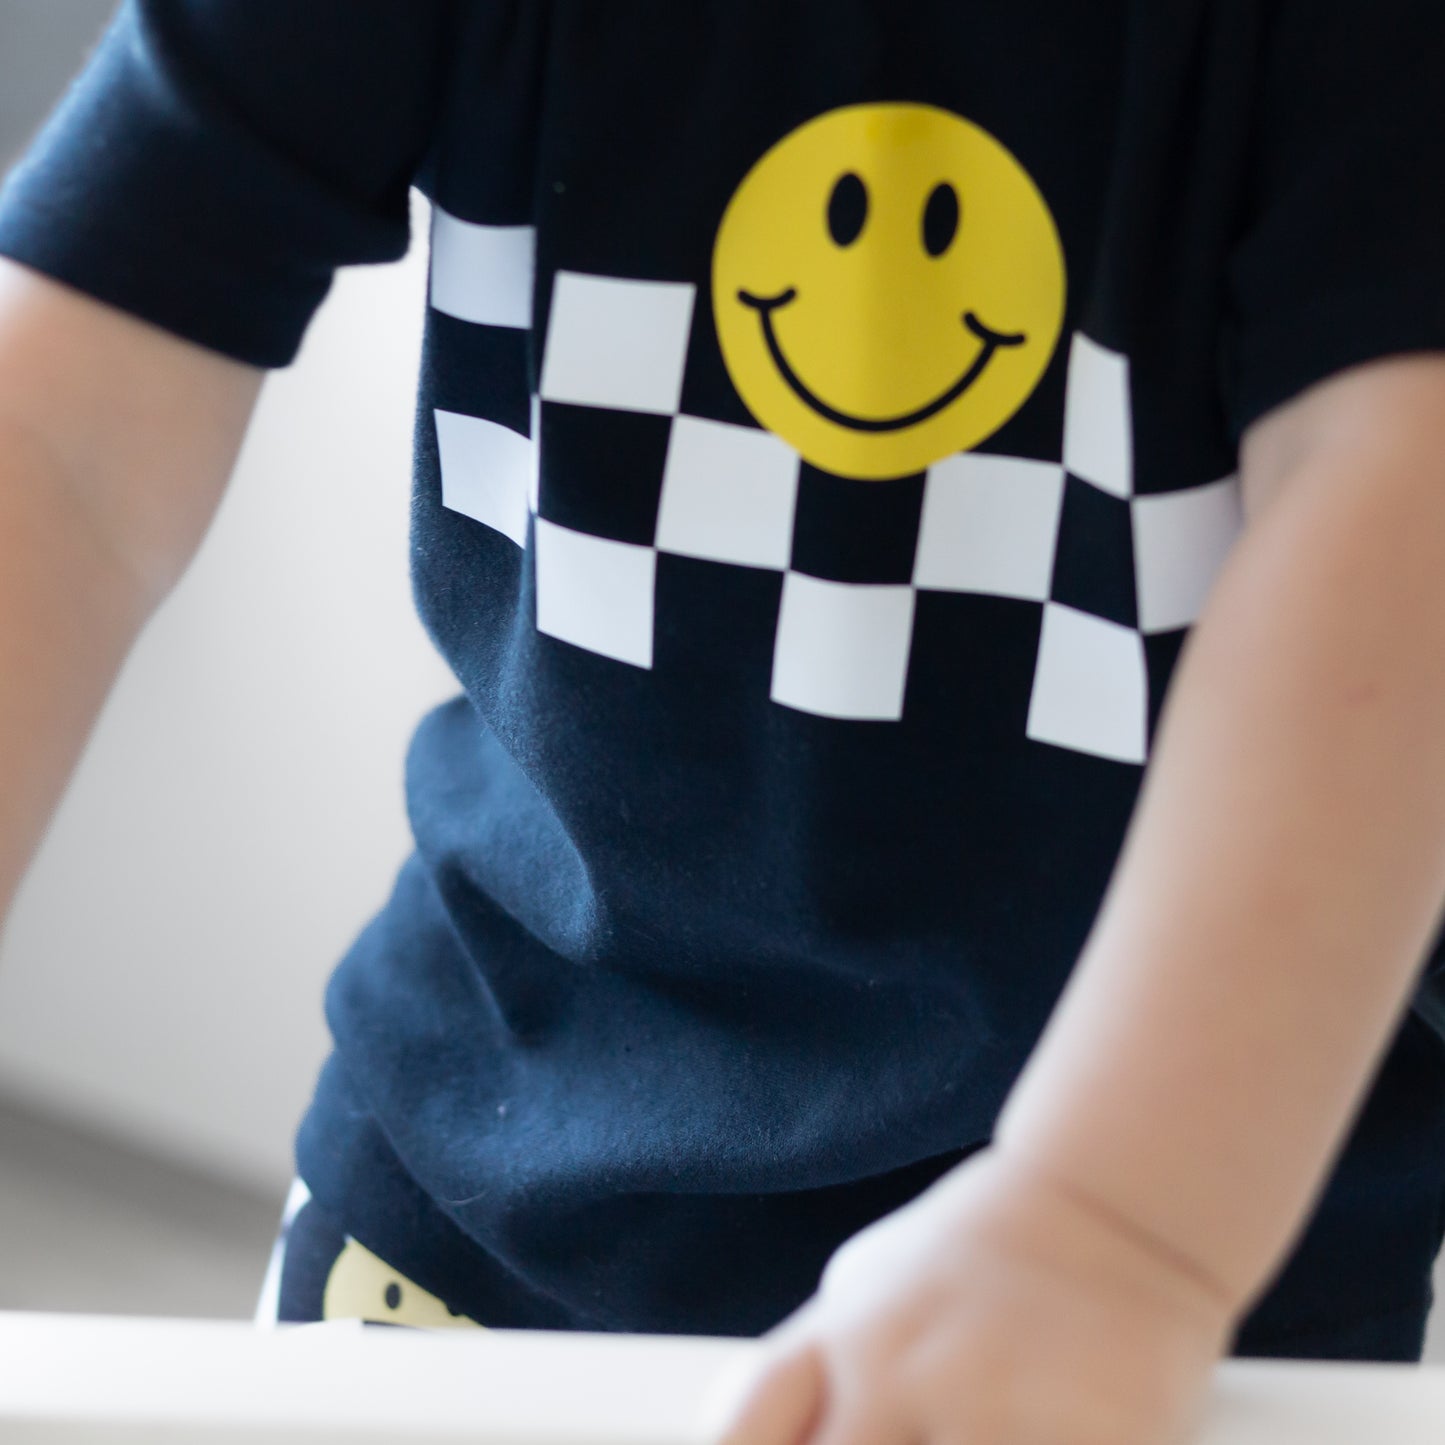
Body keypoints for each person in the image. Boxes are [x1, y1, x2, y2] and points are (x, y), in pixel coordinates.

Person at [3, 0, 1445, 1440]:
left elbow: (1396, 532)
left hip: (1184, 1226)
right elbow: (63, 446)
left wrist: (1114, 1229)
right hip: (476, 1175)